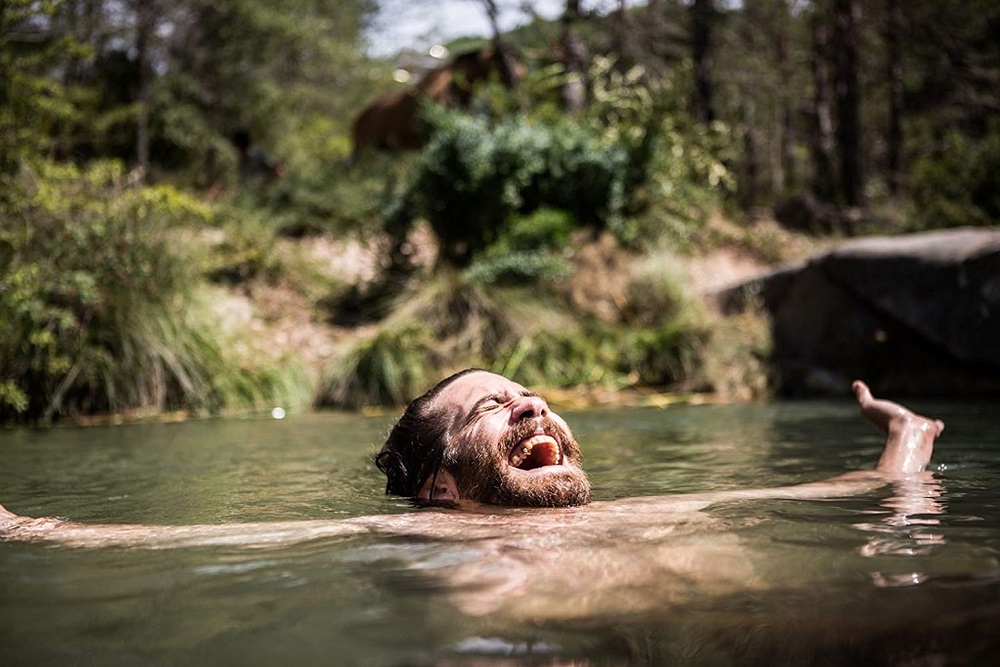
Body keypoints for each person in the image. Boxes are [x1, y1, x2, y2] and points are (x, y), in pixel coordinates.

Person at [0, 369, 943, 548]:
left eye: (528, 394)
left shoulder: (644, 515)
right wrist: (22, 525)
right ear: (441, 487)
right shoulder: (418, 540)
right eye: (490, 406)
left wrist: (907, 440)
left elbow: (853, 496)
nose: (531, 402)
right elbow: (212, 536)